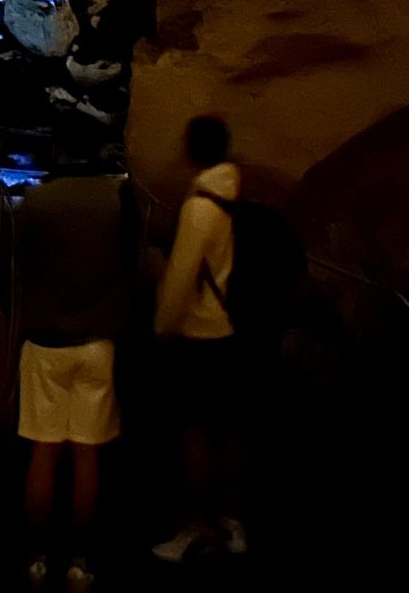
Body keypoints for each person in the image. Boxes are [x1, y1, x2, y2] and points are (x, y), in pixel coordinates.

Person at [13, 171, 135, 591]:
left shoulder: (38, 199)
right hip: (97, 341)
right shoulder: (118, 199)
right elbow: (130, 261)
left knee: (43, 452)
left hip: (46, 341)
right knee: (88, 457)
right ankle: (81, 561)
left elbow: (20, 260)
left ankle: (36, 558)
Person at [151, 114, 247, 563]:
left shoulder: (200, 206)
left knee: (193, 433)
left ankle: (192, 528)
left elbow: (179, 279)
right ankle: (231, 522)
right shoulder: (233, 194)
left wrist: (161, 328)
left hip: (199, 334)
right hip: (230, 330)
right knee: (226, 430)